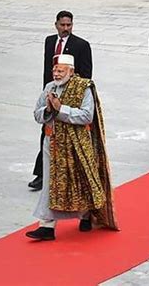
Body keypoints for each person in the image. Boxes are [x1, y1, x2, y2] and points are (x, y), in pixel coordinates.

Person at [26, 54, 118, 240]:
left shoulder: (83, 88)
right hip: (51, 144)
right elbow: (37, 114)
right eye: (55, 70)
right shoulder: (49, 88)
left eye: (61, 71)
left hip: (76, 144)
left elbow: (86, 116)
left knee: (78, 181)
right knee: (50, 184)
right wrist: (48, 110)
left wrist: (61, 110)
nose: (57, 74)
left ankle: (85, 215)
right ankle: (47, 226)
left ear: (71, 71)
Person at [29, 10, 93, 190]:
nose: (66, 28)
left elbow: (86, 74)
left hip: (70, 98)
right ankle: (42, 175)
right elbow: (47, 70)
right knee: (46, 135)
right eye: (63, 25)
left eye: (69, 25)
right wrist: (47, 93)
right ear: (56, 24)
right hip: (50, 95)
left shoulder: (81, 45)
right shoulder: (50, 41)